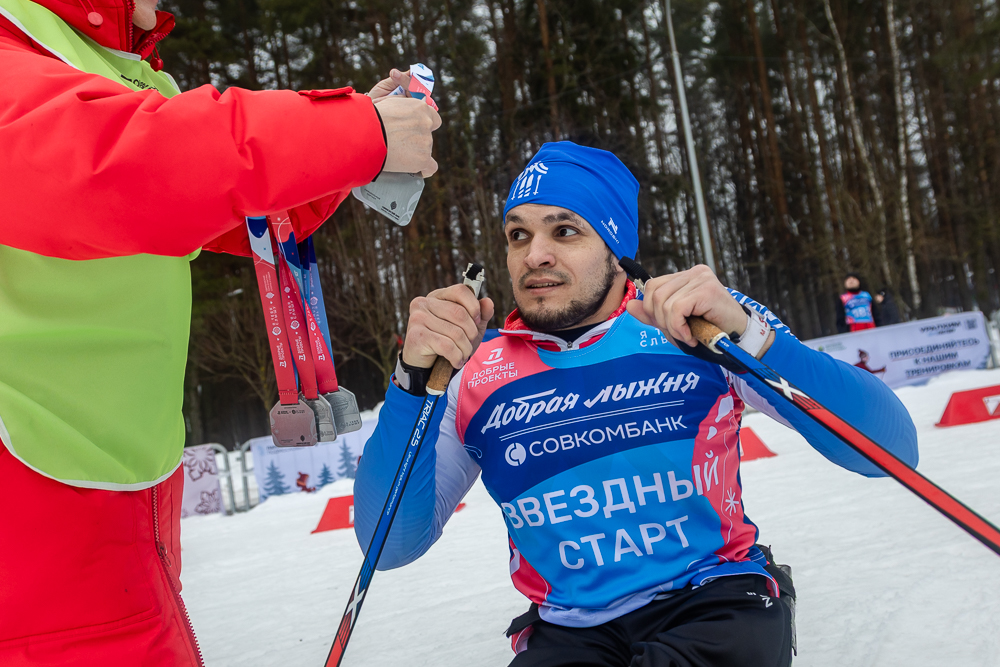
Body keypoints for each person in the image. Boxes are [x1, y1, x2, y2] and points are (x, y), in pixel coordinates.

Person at [353, 142, 919, 667]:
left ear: (616, 247)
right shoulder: (475, 369)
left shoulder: (688, 322)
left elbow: (890, 450)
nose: (535, 255)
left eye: (566, 231)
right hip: (569, 632)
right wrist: (410, 383)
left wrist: (755, 340)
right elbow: (391, 544)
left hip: (712, 602)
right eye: (518, 235)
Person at [0, 0, 440, 663]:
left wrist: (359, 141)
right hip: (36, 530)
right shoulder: (15, 55)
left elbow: (243, 202)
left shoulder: (114, 71)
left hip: (114, 515)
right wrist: (355, 131)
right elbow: (130, 157)